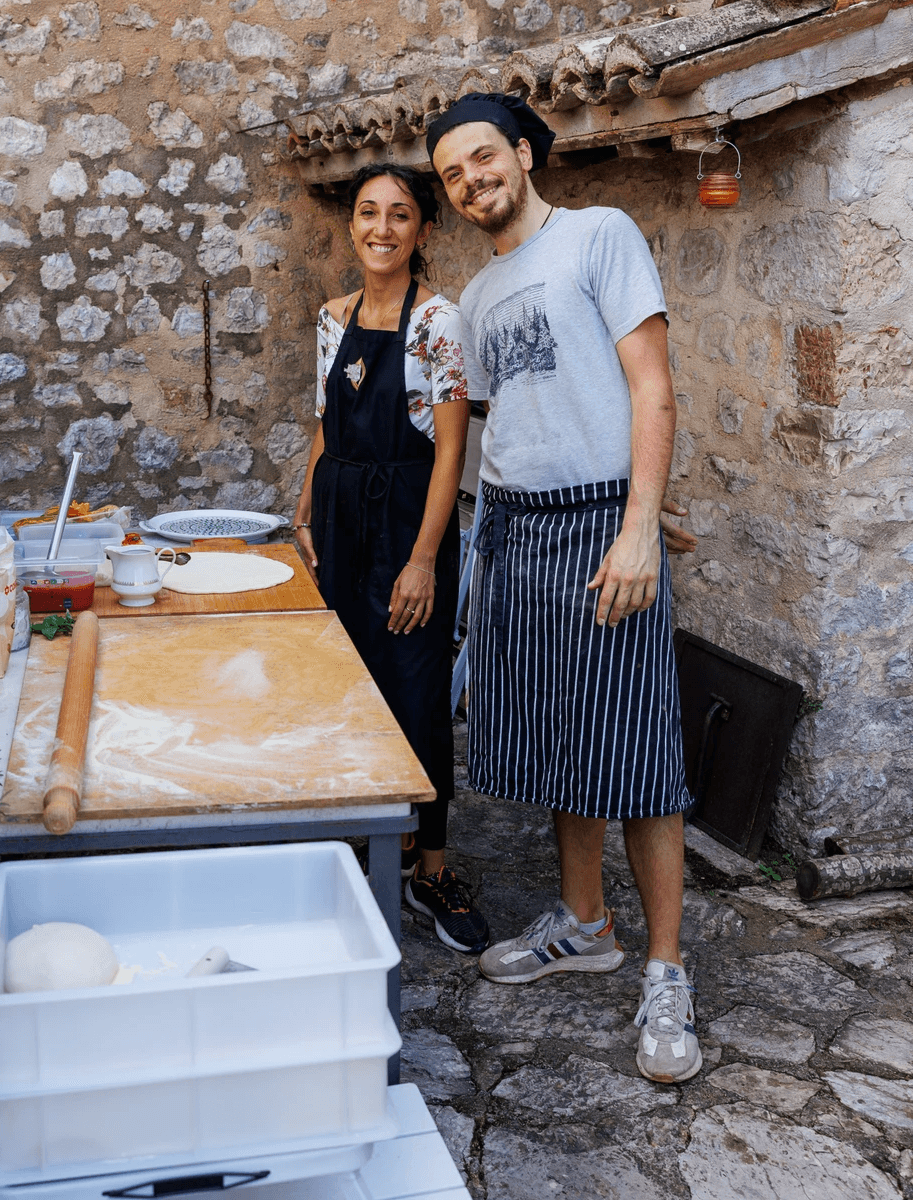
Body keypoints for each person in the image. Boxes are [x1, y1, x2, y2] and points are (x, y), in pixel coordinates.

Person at [427, 93, 702, 1083]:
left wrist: (638, 522)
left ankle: (666, 970)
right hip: (515, 528)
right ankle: (584, 923)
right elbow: (509, 414)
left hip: (599, 530)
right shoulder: (475, 297)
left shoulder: (599, 236)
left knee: (638, 747)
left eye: (482, 158)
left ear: (524, 153)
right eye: (452, 175)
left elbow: (650, 386)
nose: (471, 181)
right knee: (559, 738)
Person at [294, 164, 490, 955]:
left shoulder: (439, 321)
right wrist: (305, 510)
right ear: (352, 225)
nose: (381, 228)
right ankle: (365, 840)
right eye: (368, 213)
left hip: (407, 517)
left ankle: (430, 868)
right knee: (347, 681)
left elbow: (451, 452)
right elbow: (323, 422)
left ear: (423, 230)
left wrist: (423, 561)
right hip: (340, 516)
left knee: (415, 686)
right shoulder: (332, 317)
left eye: (400, 214)